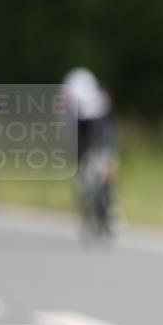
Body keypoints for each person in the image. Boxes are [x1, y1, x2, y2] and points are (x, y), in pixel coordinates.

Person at [61, 67, 119, 221]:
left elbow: (107, 130)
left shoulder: (100, 100)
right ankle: (86, 198)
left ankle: (112, 204)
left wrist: (107, 156)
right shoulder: (65, 105)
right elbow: (68, 134)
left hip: (98, 126)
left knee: (108, 162)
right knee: (81, 166)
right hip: (78, 130)